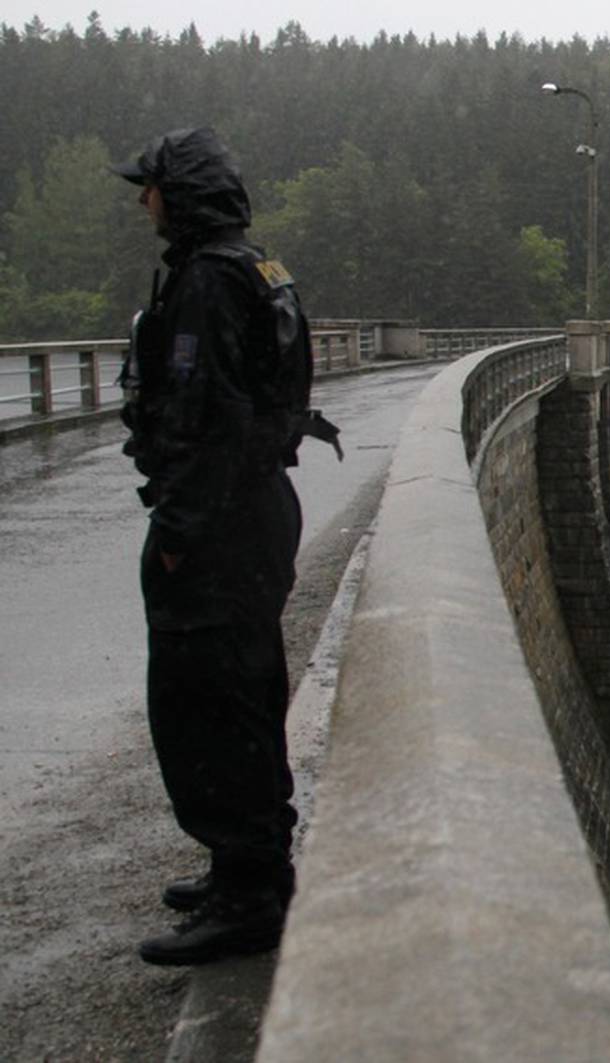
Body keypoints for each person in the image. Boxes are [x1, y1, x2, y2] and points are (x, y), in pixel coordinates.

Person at [112, 127, 334, 965]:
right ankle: (250, 867)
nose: (144, 201)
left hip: (218, 526)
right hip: (257, 512)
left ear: (184, 193)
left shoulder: (207, 282)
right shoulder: (256, 266)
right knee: (241, 692)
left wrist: (175, 535)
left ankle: (249, 894)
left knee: (204, 703)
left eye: (151, 187)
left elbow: (207, 417)